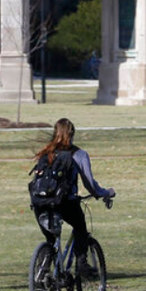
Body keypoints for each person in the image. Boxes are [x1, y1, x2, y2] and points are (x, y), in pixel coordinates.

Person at [32, 118, 115, 276]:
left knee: (50, 239)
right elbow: (90, 184)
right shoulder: (79, 154)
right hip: (64, 203)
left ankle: (41, 278)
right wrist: (104, 193)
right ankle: (82, 264)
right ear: (72, 134)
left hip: (40, 203)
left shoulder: (45, 153)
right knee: (80, 227)